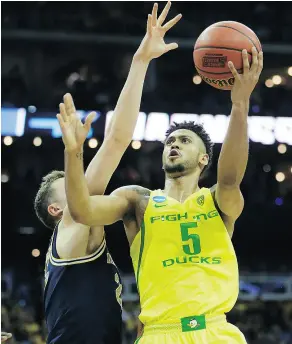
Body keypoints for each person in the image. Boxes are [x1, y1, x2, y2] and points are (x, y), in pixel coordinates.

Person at [60, 3, 264, 341]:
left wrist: (239, 105)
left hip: (216, 332)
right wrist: (74, 154)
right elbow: (81, 210)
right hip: (160, 334)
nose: (174, 144)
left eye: (184, 140)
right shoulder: (138, 201)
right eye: (170, 140)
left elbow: (230, 177)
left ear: (203, 160)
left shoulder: (216, 202)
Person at [34, 2, 181, 344]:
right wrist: (140, 61)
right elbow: (115, 141)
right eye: (69, 185)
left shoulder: (79, 245)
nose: (85, 186)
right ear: (56, 209)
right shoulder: (72, 223)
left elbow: (117, 140)